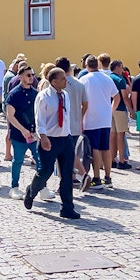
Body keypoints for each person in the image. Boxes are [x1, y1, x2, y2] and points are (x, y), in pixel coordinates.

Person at [24, 67, 81, 220]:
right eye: (62, 78)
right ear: (54, 81)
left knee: (67, 174)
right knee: (45, 171)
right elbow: (39, 119)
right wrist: (43, 137)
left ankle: (67, 207)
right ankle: (31, 191)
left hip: (65, 139)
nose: (66, 81)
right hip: (49, 139)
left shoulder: (66, 95)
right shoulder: (43, 97)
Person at [79, 54, 120, 191]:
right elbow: (117, 97)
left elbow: (82, 101)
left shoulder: (84, 79)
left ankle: (97, 178)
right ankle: (108, 177)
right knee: (105, 149)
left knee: (94, 149)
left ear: (86, 66)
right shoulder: (107, 78)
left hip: (91, 118)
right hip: (105, 118)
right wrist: (110, 110)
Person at [5, 65, 43, 199]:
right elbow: (10, 115)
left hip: (34, 134)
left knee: (40, 160)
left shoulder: (35, 93)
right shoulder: (14, 94)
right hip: (18, 135)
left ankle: (41, 187)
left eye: (32, 75)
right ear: (20, 77)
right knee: (18, 161)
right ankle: (14, 187)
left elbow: (39, 113)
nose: (31, 77)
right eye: (28, 75)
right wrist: (22, 130)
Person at [55, 56, 90, 191]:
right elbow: (85, 103)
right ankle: (73, 178)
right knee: (72, 151)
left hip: (63, 124)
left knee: (63, 154)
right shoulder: (79, 84)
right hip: (76, 122)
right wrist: (81, 115)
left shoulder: (58, 84)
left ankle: (72, 178)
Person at [107, 57, 132, 170]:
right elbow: (124, 97)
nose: (122, 69)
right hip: (120, 108)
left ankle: (111, 160)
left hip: (109, 108)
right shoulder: (120, 79)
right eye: (121, 67)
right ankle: (122, 160)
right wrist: (131, 110)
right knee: (120, 135)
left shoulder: (107, 78)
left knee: (112, 135)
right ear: (117, 67)